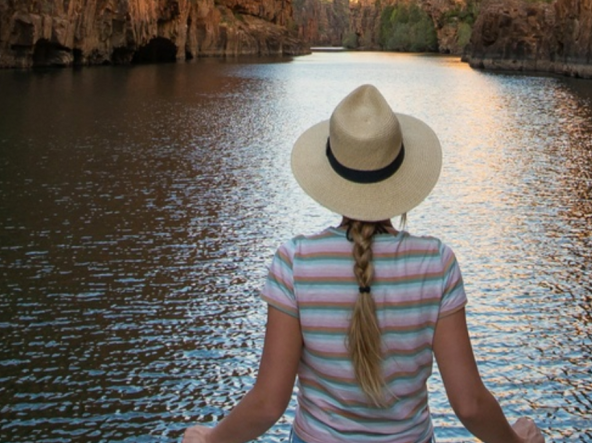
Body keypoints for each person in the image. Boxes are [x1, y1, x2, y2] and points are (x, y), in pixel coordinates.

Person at [182, 84, 545, 443]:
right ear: (402, 178)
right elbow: (469, 405)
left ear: (332, 174)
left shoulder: (295, 262)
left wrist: (210, 440)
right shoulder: (436, 263)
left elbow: (267, 404)